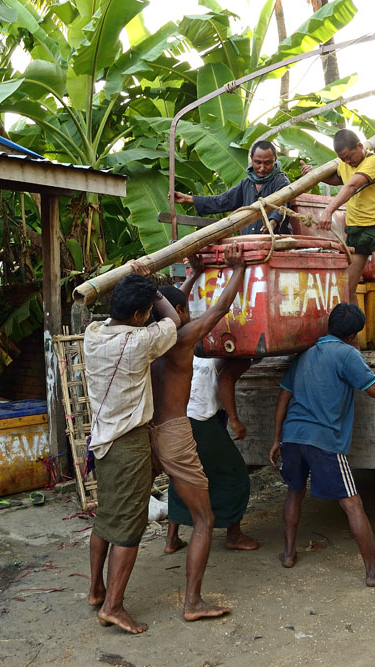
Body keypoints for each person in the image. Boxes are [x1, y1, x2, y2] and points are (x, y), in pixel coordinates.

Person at [269, 303, 375, 586]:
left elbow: (283, 397)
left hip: (292, 436)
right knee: (353, 504)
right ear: (353, 336)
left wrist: (277, 439)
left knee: (294, 492)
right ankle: (373, 572)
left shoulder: (306, 353)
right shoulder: (347, 354)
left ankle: (288, 553)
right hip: (323, 440)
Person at [150, 244, 247, 621]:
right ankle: (192, 602)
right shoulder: (183, 339)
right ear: (181, 313)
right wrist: (238, 270)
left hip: (153, 433)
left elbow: (174, 309)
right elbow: (221, 309)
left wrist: (187, 277)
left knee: (181, 486)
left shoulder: (152, 337)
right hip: (179, 431)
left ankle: (104, 593)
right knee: (205, 518)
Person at [84, 273, 180, 634]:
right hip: (127, 443)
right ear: (140, 315)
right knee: (128, 527)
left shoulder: (93, 335)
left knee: (107, 517)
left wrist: (139, 289)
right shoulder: (139, 342)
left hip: (102, 442)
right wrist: (154, 290)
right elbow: (174, 320)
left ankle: (96, 590)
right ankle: (113, 606)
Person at [303, 129, 375, 351]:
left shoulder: (374, 161)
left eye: (349, 157)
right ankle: (354, 341)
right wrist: (311, 174)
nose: (347, 161)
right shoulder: (344, 163)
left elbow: (351, 186)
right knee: (348, 286)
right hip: (356, 230)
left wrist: (328, 210)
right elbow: (337, 178)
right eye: (342, 159)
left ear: (360, 147)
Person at [163, 325, 260, 552]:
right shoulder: (235, 351)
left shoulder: (196, 345)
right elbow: (226, 380)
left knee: (183, 473)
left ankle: (171, 538)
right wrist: (235, 420)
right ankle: (234, 534)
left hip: (177, 417)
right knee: (235, 474)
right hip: (200, 420)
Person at [174, 140, 292, 234]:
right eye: (258, 162)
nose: (262, 168)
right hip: (249, 244)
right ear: (251, 159)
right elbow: (222, 201)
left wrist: (272, 223)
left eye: (267, 163)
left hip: (275, 242)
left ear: (275, 160)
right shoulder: (246, 183)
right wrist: (188, 199)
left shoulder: (280, 181)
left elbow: (282, 205)